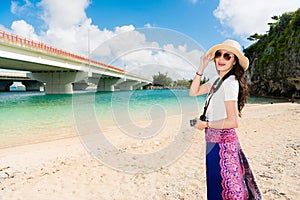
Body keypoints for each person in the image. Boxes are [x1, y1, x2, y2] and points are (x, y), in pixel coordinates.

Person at [189, 40, 261, 200]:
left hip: (224, 142)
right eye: (218, 55)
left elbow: (233, 121)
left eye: (227, 56)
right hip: (212, 139)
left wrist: (204, 124)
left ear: (234, 60)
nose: (221, 58)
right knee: (217, 185)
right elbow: (193, 92)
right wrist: (201, 67)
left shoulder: (230, 83)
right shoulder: (217, 80)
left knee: (229, 190)